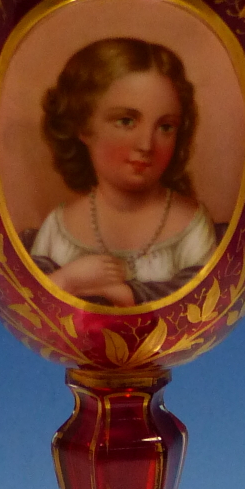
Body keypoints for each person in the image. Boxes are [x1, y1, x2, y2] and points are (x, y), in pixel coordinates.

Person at [25, 38, 219, 306]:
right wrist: (68, 280)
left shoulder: (192, 226)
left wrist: (121, 293)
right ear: (84, 126)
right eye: (126, 121)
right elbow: (32, 305)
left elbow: (202, 304)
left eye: (165, 127)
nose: (146, 145)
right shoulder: (58, 228)